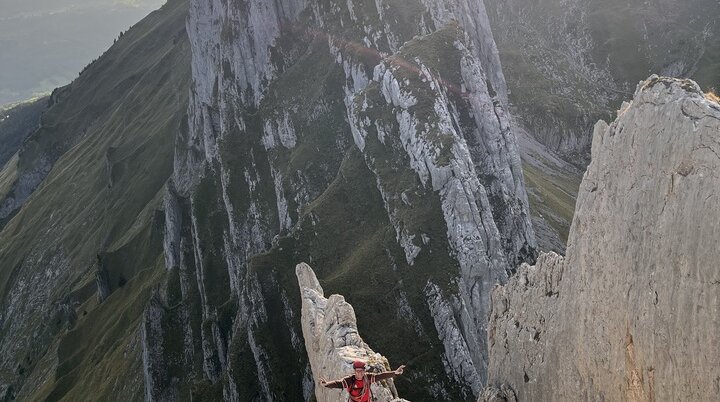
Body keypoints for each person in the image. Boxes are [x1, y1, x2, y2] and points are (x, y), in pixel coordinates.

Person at [319, 360, 406, 402]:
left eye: (361, 371)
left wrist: (395, 373)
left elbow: (381, 376)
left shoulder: (367, 378)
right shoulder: (350, 380)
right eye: (357, 371)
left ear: (364, 371)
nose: (359, 373)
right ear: (355, 371)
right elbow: (338, 384)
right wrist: (327, 384)